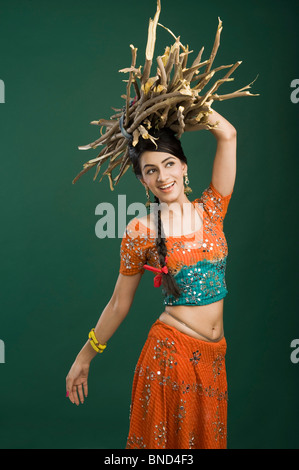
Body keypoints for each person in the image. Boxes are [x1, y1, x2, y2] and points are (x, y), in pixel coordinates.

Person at [66, 106, 236, 449]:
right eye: (151, 170)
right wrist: (84, 356)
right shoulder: (139, 231)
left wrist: (191, 102)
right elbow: (118, 303)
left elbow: (228, 135)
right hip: (170, 358)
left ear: (184, 166)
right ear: (143, 180)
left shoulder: (213, 210)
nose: (163, 176)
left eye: (169, 164)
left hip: (214, 360)